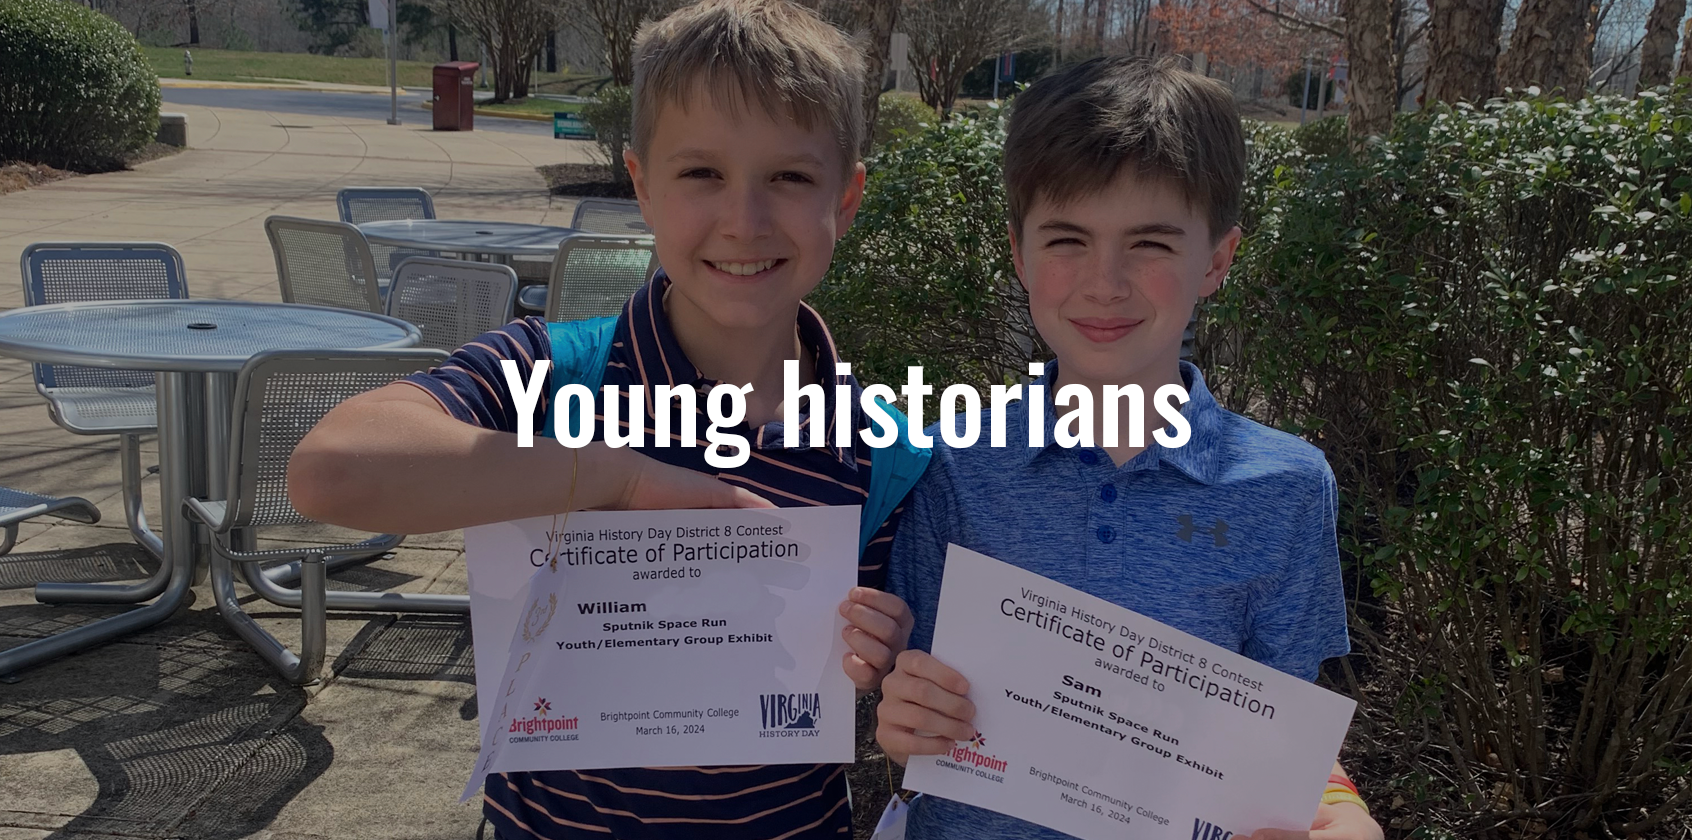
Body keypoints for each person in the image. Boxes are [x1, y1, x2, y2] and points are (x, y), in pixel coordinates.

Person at [288, 0, 916, 835]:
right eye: (702, 174)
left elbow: (907, 704)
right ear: (642, 186)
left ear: (848, 196)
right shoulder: (551, 375)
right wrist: (612, 479)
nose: (744, 221)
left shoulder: (881, 452)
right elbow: (330, 470)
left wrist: (887, 660)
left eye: (791, 178)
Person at [863, 57, 1386, 840]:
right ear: (1019, 254)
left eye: (1149, 243)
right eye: (1067, 239)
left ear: (1216, 259)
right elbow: (914, 694)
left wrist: (1340, 809)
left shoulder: (1286, 486)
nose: (1104, 283)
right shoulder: (948, 465)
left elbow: (1282, 737)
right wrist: (902, 720)